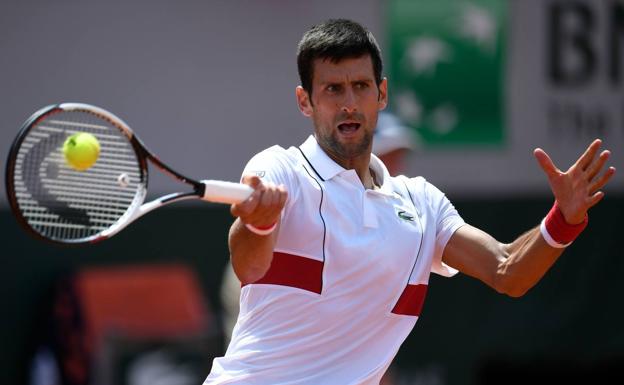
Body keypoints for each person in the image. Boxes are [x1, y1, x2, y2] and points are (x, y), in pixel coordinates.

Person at [205, 19, 615, 384]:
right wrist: (258, 222)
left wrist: (563, 220)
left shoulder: (421, 203)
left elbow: (508, 271)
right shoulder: (278, 168)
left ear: (381, 94)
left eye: (360, 86)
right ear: (305, 101)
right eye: (332, 89)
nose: (348, 103)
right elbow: (249, 265)